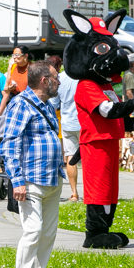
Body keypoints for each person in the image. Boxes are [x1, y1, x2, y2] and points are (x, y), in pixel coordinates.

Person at [0, 60, 65, 268]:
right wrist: (17, 180)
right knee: (33, 231)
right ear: (44, 81)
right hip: (30, 180)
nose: (59, 82)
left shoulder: (47, 105)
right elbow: (10, 143)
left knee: (47, 234)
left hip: (51, 179)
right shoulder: (20, 105)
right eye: (56, 78)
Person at [50, 64, 81, 202]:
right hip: (85, 123)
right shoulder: (84, 77)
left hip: (67, 123)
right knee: (89, 158)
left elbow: (53, 104)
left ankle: (74, 193)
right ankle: (92, 192)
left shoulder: (60, 78)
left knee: (70, 157)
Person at [0, 46, 32, 114]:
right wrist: (9, 88)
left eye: (17, 55)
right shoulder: (13, 66)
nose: (14, 57)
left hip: (27, 104)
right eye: (13, 55)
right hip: (13, 102)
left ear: (25, 56)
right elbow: (6, 88)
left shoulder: (32, 68)